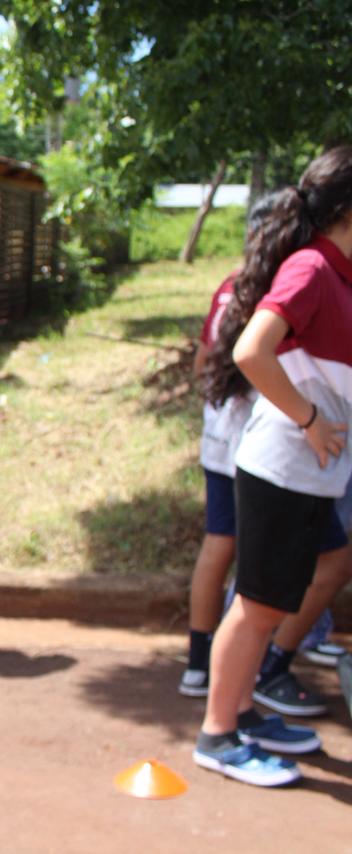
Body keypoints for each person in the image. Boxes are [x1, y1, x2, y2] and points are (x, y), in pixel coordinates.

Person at [195, 146, 352, 787]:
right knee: (258, 605)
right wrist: (310, 420)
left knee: (269, 602)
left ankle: (243, 713)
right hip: (282, 467)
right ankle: (217, 735)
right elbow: (251, 350)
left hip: (310, 475)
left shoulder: (337, 274)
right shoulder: (312, 267)